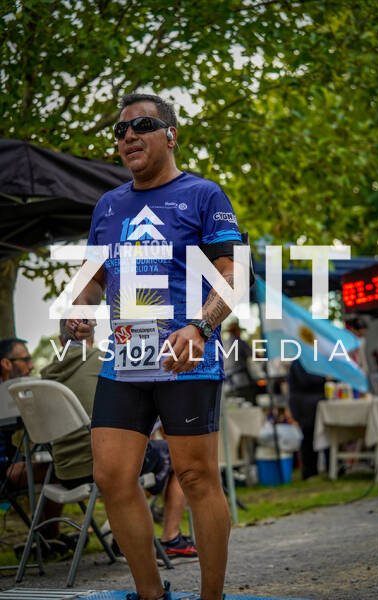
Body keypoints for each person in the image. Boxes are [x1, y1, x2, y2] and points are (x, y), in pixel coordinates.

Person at [66, 92, 245, 600]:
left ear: (171, 135)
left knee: (196, 476)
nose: (128, 136)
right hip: (125, 359)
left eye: (141, 126)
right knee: (111, 476)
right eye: (120, 131)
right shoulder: (108, 205)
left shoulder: (204, 195)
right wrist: (79, 310)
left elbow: (234, 275)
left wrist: (200, 327)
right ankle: (151, 594)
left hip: (186, 357)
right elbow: (93, 278)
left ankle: (211, 596)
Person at [41, 320, 197, 559]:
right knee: (181, 458)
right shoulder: (105, 363)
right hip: (105, 466)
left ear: (61, 341)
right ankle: (171, 537)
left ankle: (119, 535)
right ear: (91, 336)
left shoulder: (44, 378)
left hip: (65, 472)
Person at [0, 337, 64, 549]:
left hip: (9, 464)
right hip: (4, 470)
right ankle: (50, 539)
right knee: (58, 469)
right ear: (6, 363)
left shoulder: (10, 396)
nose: (32, 366)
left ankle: (45, 540)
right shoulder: (6, 396)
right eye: (25, 359)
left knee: (50, 467)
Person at [288, 360, 326, 480]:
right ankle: (309, 471)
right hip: (305, 405)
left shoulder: (315, 360)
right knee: (308, 437)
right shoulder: (300, 362)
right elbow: (306, 381)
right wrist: (325, 377)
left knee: (324, 434)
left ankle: (328, 467)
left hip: (315, 403)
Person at [223, 320, 258, 404]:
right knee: (249, 403)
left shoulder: (224, 343)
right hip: (241, 380)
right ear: (236, 331)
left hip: (227, 383)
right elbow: (254, 355)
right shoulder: (239, 342)